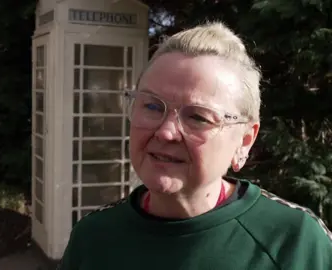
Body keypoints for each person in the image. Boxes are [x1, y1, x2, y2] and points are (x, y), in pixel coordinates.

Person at [57, 22, 332, 270]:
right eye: (152, 106)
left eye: (198, 117)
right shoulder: (93, 237)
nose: (166, 132)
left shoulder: (294, 240)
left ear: (245, 140)